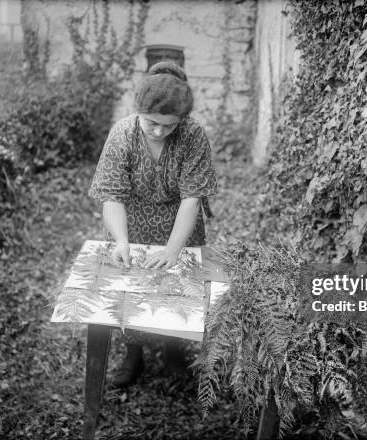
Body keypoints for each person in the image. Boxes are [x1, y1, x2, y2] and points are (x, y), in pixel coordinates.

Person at [89, 61, 217, 387]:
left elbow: (192, 198)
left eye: (169, 126)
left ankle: (173, 350)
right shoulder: (123, 133)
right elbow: (112, 195)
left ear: (182, 120)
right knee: (131, 287)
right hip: (131, 223)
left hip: (179, 223)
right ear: (139, 111)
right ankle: (133, 352)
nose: (159, 131)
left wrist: (174, 249)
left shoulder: (194, 136)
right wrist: (120, 241)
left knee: (175, 289)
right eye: (151, 123)